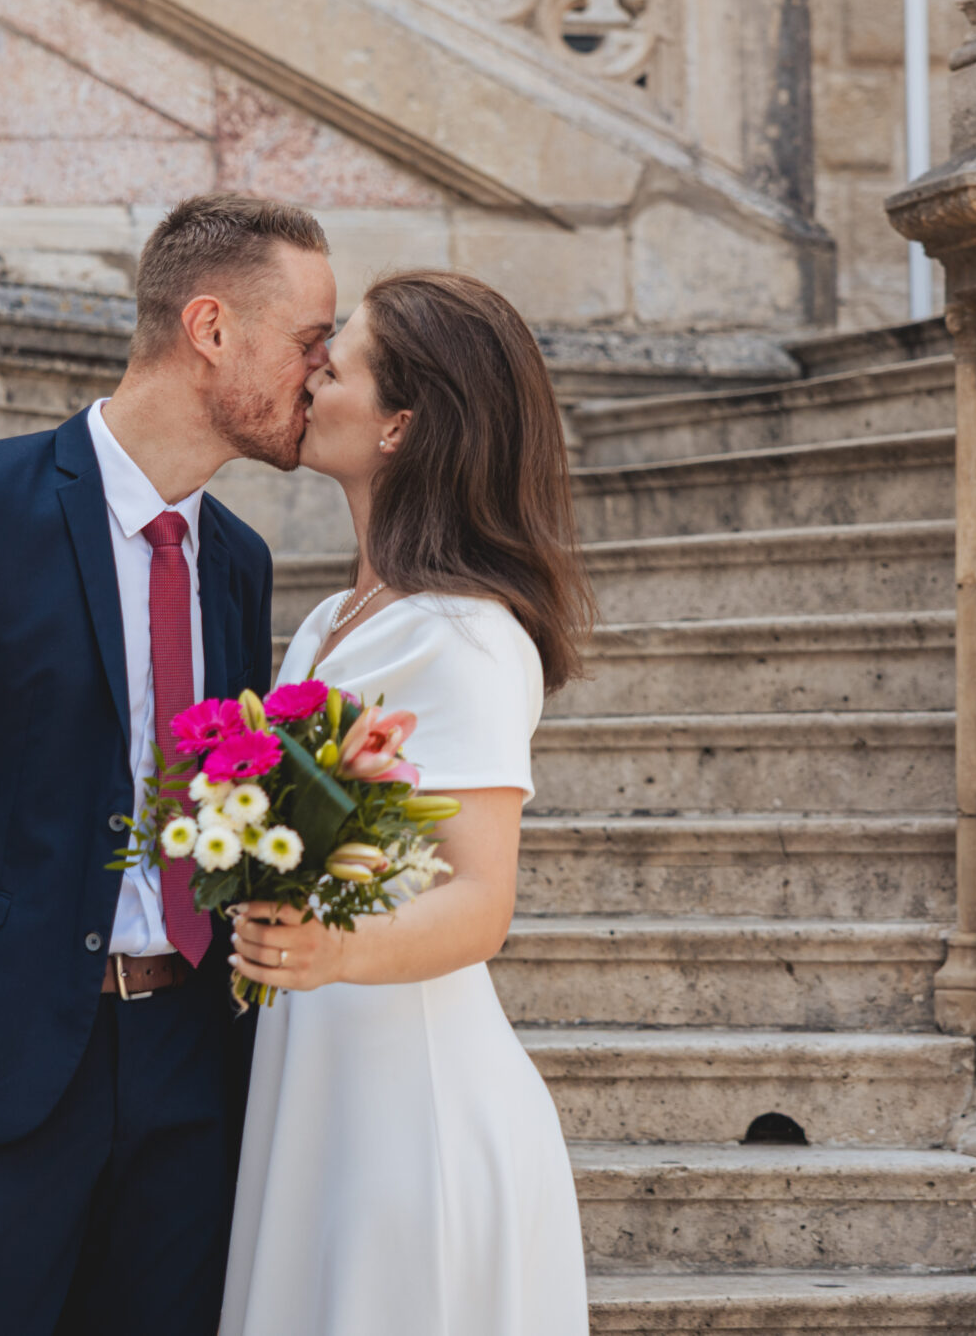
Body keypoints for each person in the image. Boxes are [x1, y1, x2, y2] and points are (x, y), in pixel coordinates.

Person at [0, 193, 337, 1336]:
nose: (323, 375)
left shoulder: (236, 560)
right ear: (212, 328)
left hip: (189, 1069)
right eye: (310, 341)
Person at [218, 269, 596, 1336]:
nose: (306, 372)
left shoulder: (465, 638)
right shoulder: (334, 620)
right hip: (315, 1085)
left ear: (398, 427)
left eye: (331, 364)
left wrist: (328, 952)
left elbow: (481, 902)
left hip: (407, 1110)